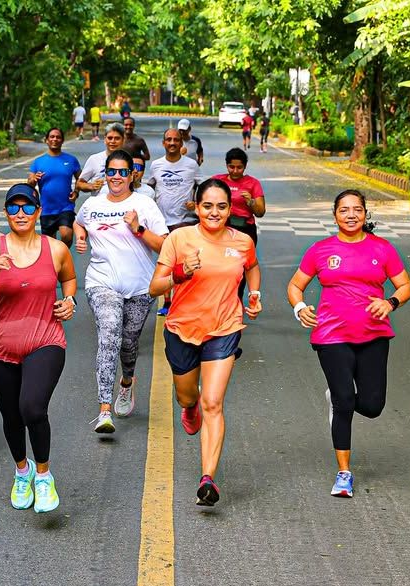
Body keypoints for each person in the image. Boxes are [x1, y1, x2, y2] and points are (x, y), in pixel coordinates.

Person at [286, 189, 410, 498]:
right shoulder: (320, 250)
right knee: (344, 401)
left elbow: (405, 285)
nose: (351, 215)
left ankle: (339, 397)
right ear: (335, 216)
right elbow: (295, 285)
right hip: (331, 335)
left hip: (374, 335)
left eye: (357, 209)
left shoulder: (382, 249)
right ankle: (344, 473)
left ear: (365, 214)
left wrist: (390, 303)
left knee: (372, 406)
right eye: (344, 210)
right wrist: (299, 307)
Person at [0, 183, 77, 513]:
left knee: (32, 408)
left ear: (38, 211)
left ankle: (43, 476)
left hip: (46, 340)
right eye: (14, 207)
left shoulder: (56, 249)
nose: (21, 213)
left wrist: (69, 300)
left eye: (28, 207)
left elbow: (69, 279)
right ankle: (22, 472)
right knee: (12, 416)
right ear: (6, 213)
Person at [148, 179, 261, 506]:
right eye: (207, 206)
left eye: (221, 206)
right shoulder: (179, 239)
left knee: (213, 402)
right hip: (182, 328)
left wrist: (254, 293)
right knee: (188, 396)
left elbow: (252, 267)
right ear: (196, 207)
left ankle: (207, 478)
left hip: (224, 327)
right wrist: (181, 272)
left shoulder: (242, 241)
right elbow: (155, 287)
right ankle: (189, 406)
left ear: (230, 209)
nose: (214, 212)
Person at [74, 150, 169, 433]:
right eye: (111, 171)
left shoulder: (144, 204)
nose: (116, 177)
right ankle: (104, 410)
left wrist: (138, 228)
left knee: (128, 343)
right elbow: (79, 222)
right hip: (101, 282)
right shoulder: (93, 204)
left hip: (140, 287)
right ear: (105, 174)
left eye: (122, 172)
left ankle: (127, 382)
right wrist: (80, 237)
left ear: (132, 175)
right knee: (109, 334)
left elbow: (165, 246)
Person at [146, 128, 203, 315]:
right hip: (161, 223)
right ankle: (167, 302)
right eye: (168, 140)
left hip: (184, 221)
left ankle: (185, 299)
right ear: (163, 143)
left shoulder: (191, 165)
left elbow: (202, 187)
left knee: (185, 262)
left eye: (176, 140)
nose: (172, 143)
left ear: (181, 143)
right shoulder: (156, 165)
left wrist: (196, 203)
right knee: (166, 263)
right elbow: (149, 187)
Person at [212, 148, 266, 298]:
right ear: (226, 165)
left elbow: (260, 212)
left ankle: (237, 300)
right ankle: (219, 299)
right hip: (222, 230)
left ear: (245, 166)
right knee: (220, 266)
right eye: (231, 167)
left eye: (239, 167)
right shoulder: (217, 181)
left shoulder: (253, 183)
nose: (235, 171)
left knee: (240, 268)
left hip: (244, 230)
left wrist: (251, 202)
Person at [27, 127, 81, 247]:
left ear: (62, 140)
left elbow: (81, 179)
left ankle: (63, 254)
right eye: (52, 137)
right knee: (50, 244)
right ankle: (57, 257)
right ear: (46, 140)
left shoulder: (71, 160)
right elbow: (30, 184)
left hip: (66, 206)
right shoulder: (38, 162)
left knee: (66, 235)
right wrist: (34, 178)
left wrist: (76, 192)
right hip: (47, 209)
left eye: (58, 137)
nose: (55, 139)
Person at [77, 122, 125, 196]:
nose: (113, 141)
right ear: (105, 139)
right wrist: (91, 186)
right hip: (99, 202)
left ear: (123, 140)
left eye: (117, 138)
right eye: (110, 138)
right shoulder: (94, 159)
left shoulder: (128, 160)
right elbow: (80, 183)